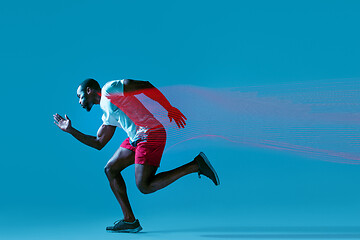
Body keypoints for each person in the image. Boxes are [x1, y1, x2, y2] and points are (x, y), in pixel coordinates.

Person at [53, 78, 219, 233]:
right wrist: (70, 130)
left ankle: (196, 165)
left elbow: (146, 85)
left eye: (79, 97)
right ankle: (130, 220)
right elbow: (98, 143)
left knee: (144, 186)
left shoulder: (110, 89)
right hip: (137, 139)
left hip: (151, 134)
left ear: (88, 90)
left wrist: (168, 108)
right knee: (110, 169)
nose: (79, 102)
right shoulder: (107, 115)